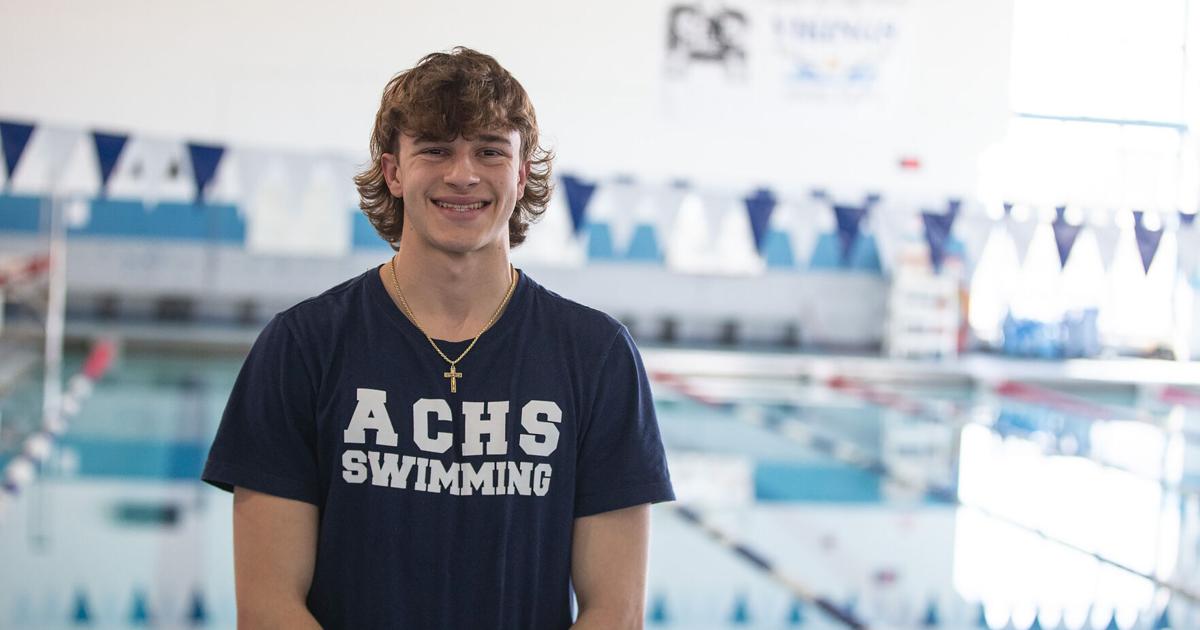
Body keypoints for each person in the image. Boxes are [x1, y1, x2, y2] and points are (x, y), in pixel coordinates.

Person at [201, 47, 675, 629]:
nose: (463, 174)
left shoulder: (596, 357)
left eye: (490, 151)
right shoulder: (301, 348)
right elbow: (268, 607)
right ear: (393, 172)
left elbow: (615, 612)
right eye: (435, 149)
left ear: (521, 173)